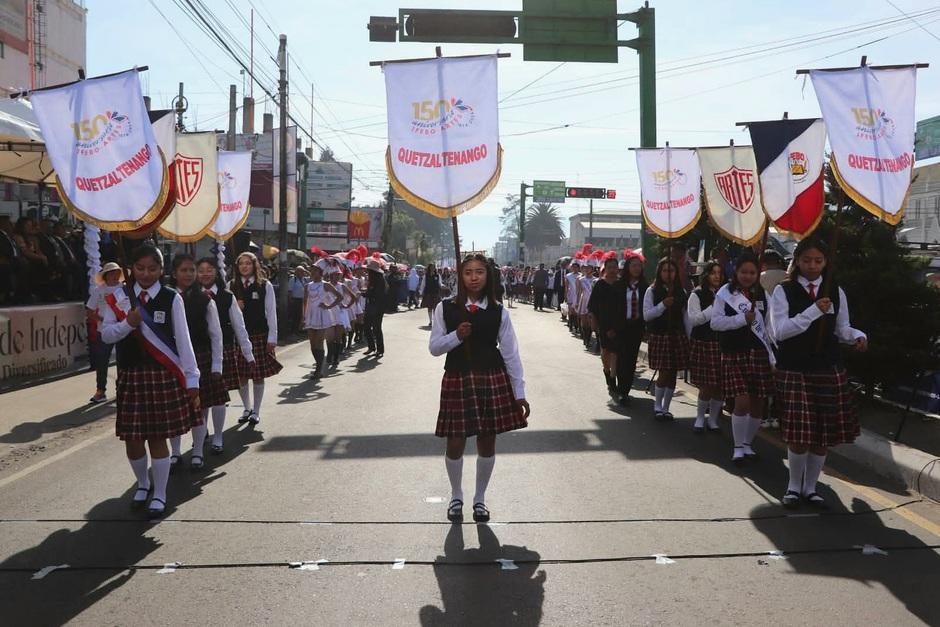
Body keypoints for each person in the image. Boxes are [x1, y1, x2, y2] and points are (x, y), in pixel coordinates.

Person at [98, 245, 201, 518]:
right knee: (132, 439)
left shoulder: (171, 298)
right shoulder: (119, 297)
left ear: (161, 269)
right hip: (131, 375)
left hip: (161, 375)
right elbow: (106, 335)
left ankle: (160, 493)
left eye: (152, 268)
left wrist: (193, 379)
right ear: (131, 267)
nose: (145, 274)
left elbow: (184, 340)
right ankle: (142, 484)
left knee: (157, 437)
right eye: (140, 268)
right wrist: (127, 324)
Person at [429, 254, 530, 523]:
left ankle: (480, 499)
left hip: (490, 376)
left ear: (488, 276)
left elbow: (511, 354)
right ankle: (456, 495)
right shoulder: (445, 308)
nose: (474, 277)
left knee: (487, 439)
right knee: (455, 440)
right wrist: (456, 337)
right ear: (460, 277)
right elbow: (434, 348)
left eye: (479, 272)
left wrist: (519, 392)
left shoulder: (499, 311)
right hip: (457, 376)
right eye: (468, 272)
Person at [768, 238, 867, 508]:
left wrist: (857, 336)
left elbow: (842, 328)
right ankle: (793, 487)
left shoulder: (834, 290)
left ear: (826, 262)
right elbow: (780, 332)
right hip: (795, 367)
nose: (812, 266)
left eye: (818, 261)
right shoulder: (783, 291)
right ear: (797, 261)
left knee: (822, 434)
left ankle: (811, 488)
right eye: (807, 260)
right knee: (799, 433)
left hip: (827, 366)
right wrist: (813, 311)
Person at [710, 250, 774, 465]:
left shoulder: (763, 294)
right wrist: (740, 319)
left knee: (758, 403)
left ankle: (748, 443)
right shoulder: (724, 294)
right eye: (744, 272)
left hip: (758, 352)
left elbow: (770, 325)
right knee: (742, 401)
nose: (748, 276)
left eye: (752, 272)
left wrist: (774, 355)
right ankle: (737, 447)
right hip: (734, 352)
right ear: (736, 272)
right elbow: (715, 323)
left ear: (758, 273)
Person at [168, 254, 226, 471]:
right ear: (174, 273)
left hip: (200, 357)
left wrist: (217, 365)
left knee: (199, 408)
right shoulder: (165, 297)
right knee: (174, 408)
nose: (189, 274)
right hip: (172, 359)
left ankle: (198, 451)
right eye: (184, 270)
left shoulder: (205, 299)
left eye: (192, 270)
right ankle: (174, 452)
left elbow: (216, 334)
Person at [195, 256, 255, 454]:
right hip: (198, 353)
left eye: (209, 269)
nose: (205, 273)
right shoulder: (188, 296)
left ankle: (218, 437)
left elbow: (240, 326)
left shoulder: (226, 296)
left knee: (219, 398)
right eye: (201, 269)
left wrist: (248, 354)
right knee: (201, 398)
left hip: (223, 350)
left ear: (216, 272)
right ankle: (201, 433)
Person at [230, 252, 281, 426]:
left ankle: (256, 411)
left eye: (248, 263)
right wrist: (235, 306)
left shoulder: (264, 285)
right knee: (241, 375)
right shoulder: (232, 286)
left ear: (254, 265)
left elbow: (271, 312)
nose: (244, 266)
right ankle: (246, 408)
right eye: (241, 263)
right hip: (239, 337)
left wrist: (272, 338)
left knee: (258, 375)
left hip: (259, 334)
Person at [643, 257, 689, 421]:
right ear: (659, 272)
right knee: (664, 372)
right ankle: (657, 406)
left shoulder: (681, 292)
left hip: (677, 335)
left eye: (671, 271)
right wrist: (663, 304)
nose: (668, 274)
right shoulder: (652, 290)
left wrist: (689, 337)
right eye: (665, 271)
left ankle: (666, 407)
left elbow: (686, 317)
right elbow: (647, 315)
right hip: (660, 335)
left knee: (673, 374)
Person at [687, 260, 725, 433]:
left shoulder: (728, 293)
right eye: (713, 273)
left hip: (723, 343)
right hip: (704, 342)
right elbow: (694, 320)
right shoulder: (697, 294)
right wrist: (713, 308)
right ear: (706, 275)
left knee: (720, 385)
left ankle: (714, 419)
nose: (717, 276)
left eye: (719, 273)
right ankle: (700, 417)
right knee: (706, 384)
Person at [86, 262, 125, 404]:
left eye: (117, 273)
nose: (115, 275)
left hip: (122, 330)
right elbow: (89, 311)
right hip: (103, 331)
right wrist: (102, 320)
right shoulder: (99, 290)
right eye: (112, 273)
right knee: (102, 361)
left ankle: (121, 390)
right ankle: (100, 390)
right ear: (106, 275)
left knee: (122, 361)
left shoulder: (124, 289)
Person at [587, 257, 624, 399]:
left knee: (615, 352)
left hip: (618, 324)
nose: (613, 270)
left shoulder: (621, 284)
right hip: (603, 323)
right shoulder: (600, 284)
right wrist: (593, 321)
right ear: (605, 268)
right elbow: (592, 306)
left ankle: (613, 379)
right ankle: (606, 370)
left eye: (615, 267)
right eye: (610, 267)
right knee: (605, 352)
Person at [617, 253, 647, 406]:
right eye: (634, 265)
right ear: (628, 267)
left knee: (631, 360)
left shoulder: (644, 287)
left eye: (639, 265)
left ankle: (625, 391)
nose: (637, 268)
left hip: (636, 328)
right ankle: (620, 388)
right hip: (621, 327)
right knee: (621, 360)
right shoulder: (619, 286)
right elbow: (613, 309)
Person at [304, 261, 342, 379]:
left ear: (320, 273)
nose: (312, 272)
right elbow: (304, 302)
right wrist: (303, 316)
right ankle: (318, 366)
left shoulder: (326, 285)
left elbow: (339, 297)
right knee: (312, 344)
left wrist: (329, 306)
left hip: (322, 315)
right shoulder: (307, 286)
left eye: (315, 270)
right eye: (312, 270)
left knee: (319, 342)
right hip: (311, 315)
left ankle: (318, 370)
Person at [364, 257, 387, 357]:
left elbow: (377, 295)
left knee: (377, 328)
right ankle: (371, 347)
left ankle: (380, 349)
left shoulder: (380, 281)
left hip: (378, 307)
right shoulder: (372, 281)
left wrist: (364, 294)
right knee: (366, 327)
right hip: (370, 306)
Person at [287, 266, 308, 336]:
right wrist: (290, 300)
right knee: (295, 316)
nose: (303, 273)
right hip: (295, 300)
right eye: (301, 271)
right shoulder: (293, 279)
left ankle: (298, 330)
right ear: (297, 272)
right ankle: (293, 331)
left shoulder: (304, 280)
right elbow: (289, 291)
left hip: (302, 300)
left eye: (303, 272)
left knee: (301, 316)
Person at [565, 261, 581, 333]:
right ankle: (571, 325)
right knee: (571, 311)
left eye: (576, 267)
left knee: (577, 312)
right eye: (573, 267)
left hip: (578, 295)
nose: (574, 269)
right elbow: (566, 287)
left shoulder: (581, 276)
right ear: (571, 268)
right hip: (570, 295)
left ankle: (576, 326)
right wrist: (565, 295)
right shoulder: (568, 276)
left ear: (578, 268)